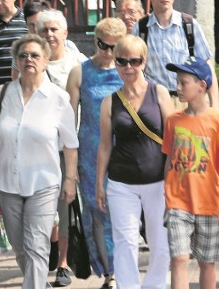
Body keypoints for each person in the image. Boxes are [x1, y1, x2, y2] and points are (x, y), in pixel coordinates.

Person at [0, 34, 78, 289]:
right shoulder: (4, 94)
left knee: (37, 247)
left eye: (35, 55)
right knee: (20, 249)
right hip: (7, 183)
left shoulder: (58, 98)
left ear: (46, 61)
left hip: (44, 183)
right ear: (16, 61)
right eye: (23, 55)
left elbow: (71, 145)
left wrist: (69, 181)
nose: (29, 59)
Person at [93, 34, 172, 289]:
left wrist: (173, 178)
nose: (128, 67)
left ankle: (155, 286)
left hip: (158, 180)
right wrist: (99, 184)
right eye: (122, 61)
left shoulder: (159, 93)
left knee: (160, 242)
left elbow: (173, 140)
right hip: (121, 182)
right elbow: (105, 145)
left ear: (144, 62)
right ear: (115, 63)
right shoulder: (109, 102)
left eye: (135, 61)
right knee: (125, 241)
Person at [163, 55, 219, 289]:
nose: (178, 87)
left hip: (210, 203)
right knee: (179, 257)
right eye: (177, 81)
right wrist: (166, 193)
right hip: (178, 202)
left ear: (202, 86)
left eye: (184, 82)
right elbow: (168, 160)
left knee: (207, 263)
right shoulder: (173, 121)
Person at [66, 18, 127, 288]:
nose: (109, 51)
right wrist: (72, 161)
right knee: (98, 212)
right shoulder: (80, 73)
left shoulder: (129, 71)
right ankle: (109, 272)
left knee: (122, 212)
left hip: (124, 152)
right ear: (95, 41)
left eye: (115, 46)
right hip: (90, 153)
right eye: (104, 45)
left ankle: (122, 267)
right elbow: (69, 120)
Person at [33, 9, 87, 287]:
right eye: (44, 30)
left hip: (69, 147)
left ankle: (63, 264)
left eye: (55, 30)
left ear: (65, 34)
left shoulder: (79, 63)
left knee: (65, 205)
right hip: (38, 148)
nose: (50, 34)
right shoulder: (30, 63)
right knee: (43, 209)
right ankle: (47, 256)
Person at [133, 0, 219, 109]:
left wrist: (215, 106)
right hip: (154, 101)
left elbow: (207, 66)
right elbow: (134, 68)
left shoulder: (189, 25)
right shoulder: (141, 28)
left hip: (187, 102)